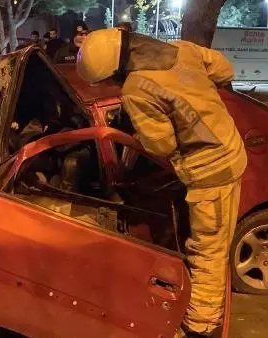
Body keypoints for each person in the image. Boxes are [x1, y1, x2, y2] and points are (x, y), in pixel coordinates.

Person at [77, 28, 247, 338]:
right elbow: (224, 68)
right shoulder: (183, 49)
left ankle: (201, 328)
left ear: (115, 70)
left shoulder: (136, 89)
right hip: (229, 150)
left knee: (208, 251)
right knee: (207, 241)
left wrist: (138, 133)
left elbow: (162, 145)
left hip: (210, 171)